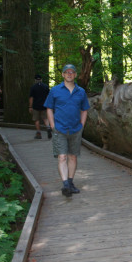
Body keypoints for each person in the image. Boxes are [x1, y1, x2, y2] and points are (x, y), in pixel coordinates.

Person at [44, 64, 90, 197]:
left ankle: (70, 182)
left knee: (73, 156)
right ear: (63, 75)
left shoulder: (81, 91)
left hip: (75, 129)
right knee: (62, 156)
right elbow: (49, 108)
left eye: (72, 72)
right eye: (67, 72)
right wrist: (52, 125)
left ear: (75, 75)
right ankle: (65, 185)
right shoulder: (55, 90)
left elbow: (84, 109)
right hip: (60, 129)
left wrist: (82, 125)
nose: (69, 74)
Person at [29, 74, 52, 139]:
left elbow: (31, 97)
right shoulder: (46, 86)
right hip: (44, 105)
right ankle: (48, 128)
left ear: (35, 80)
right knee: (45, 118)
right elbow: (49, 96)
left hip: (36, 106)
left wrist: (30, 106)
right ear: (41, 79)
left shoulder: (33, 87)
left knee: (36, 119)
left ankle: (38, 133)